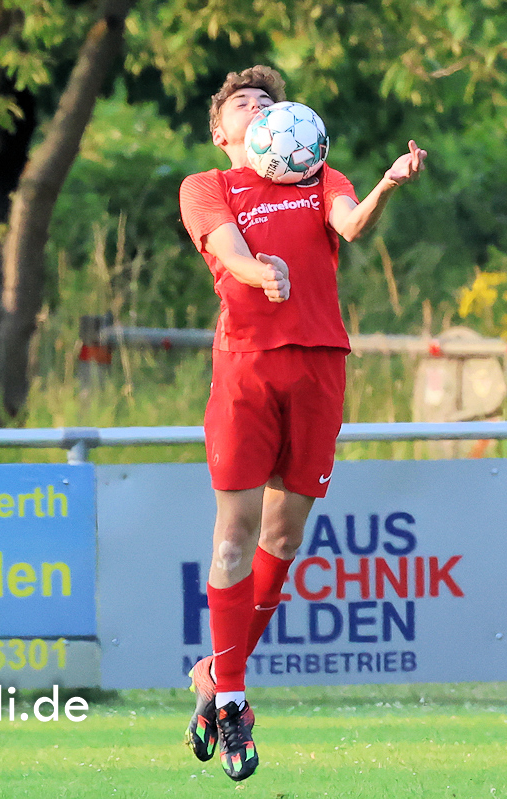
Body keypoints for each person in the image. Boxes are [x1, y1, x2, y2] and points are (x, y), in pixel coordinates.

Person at [178, 66, 426, 782]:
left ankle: (215, 673)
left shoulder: (320, 178)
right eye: (242, 103)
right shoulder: (208, 185)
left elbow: (350, 223)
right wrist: (261, 273)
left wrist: (386, 183)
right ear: (222, 131)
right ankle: (233, 700)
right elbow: (228, 250)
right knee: (233, 537)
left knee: (283, 539)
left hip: (319, 367)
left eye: (269, 101)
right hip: (247, 368)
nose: (259, 109)